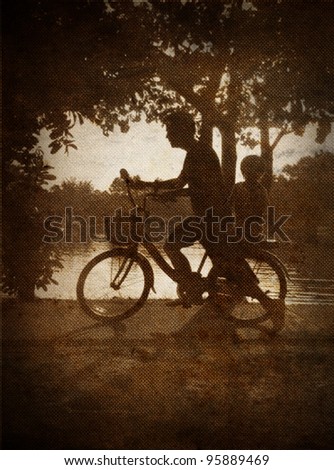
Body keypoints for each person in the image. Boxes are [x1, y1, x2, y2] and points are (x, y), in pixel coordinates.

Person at [129, 110, 230, 305]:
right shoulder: (195, 152)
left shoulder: (200, 152)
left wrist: (171, 195)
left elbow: (203, 190)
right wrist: (147, 185)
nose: (167, 135)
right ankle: (190, 288)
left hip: (211, 218)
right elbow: (179, 182)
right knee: (173, 245)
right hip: (207, 216)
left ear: (183, 130)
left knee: (171, 245)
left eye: (169, 130)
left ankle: (190, 287)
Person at [230, 154, 269, 241]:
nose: (252, 174)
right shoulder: (237, 187)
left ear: (260, 174)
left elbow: (263, 211)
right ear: (244, 172)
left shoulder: (262, 191)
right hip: (238, 228)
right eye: (248, 171)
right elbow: (229, 205)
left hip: (254, 230)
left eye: (256, 171)